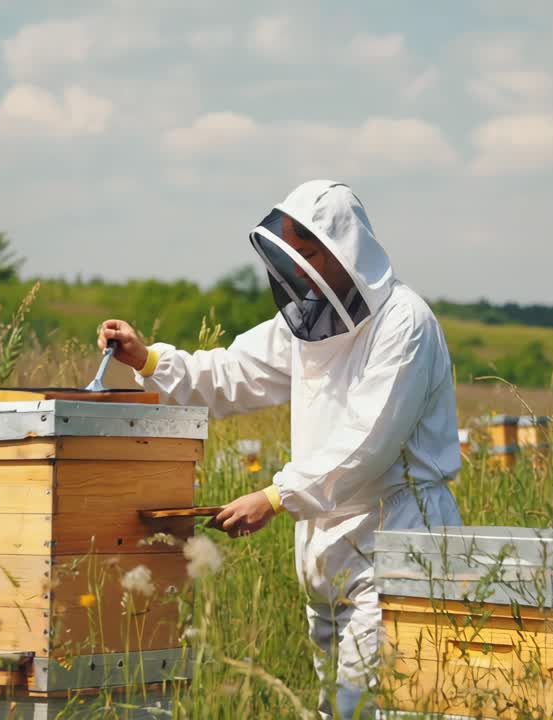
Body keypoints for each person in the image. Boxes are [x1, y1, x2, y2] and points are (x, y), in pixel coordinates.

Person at [97, 180, 462, 719]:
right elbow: (231, 373)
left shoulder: (404, 323)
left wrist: (275, 496)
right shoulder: (308, 322)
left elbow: (369, 439)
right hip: (325, 544)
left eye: (310, 253)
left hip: (395, 539)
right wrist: (147, 359)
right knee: (334, 708)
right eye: (293, 254)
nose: (299, 268)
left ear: (345, 251)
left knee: (371, 708)